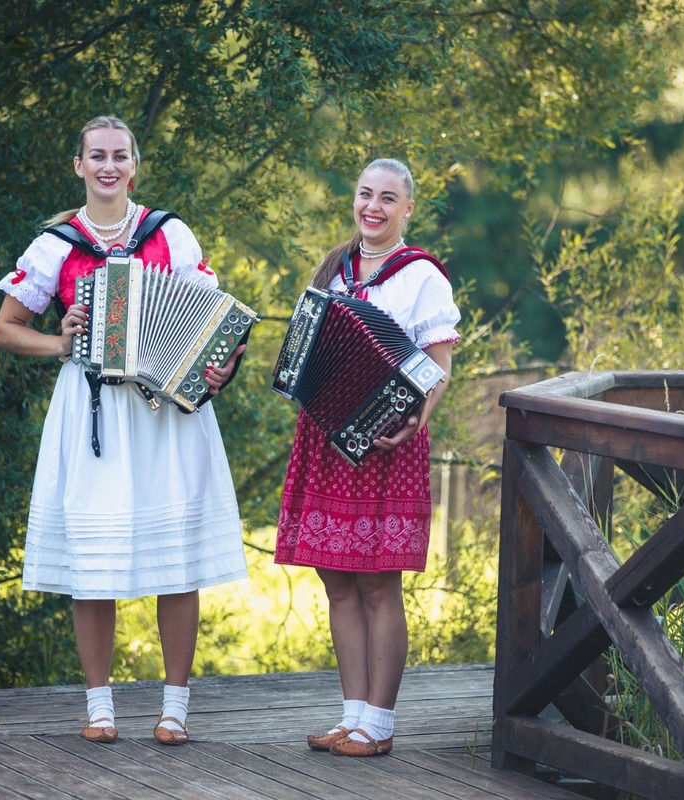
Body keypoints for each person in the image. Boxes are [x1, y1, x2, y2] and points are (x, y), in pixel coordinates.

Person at [0, 115, 248, 746]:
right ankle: (100, 707)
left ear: (134, 165)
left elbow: (216, 319)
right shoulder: (57, 244)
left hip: (166, 414)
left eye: (119, 156)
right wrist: (60, 338)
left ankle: (175, 707)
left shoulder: (170, 232)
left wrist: (221, 366)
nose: (108, 166)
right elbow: (5, 329)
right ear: (78, 165)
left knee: (178, 559)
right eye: (96, 156)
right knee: (91, 560)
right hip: (93, 409)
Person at [275, 158, 461, 757]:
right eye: (364, 195)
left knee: (379, 585)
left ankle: (378, 724)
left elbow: (437, 367)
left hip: (388, 442)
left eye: (387, 198)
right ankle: (351, 716)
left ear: (407, 208)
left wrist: (415, 421)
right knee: (337, 583)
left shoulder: (422, 276)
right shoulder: (336, 267)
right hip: (327, 438)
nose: (372, 207)